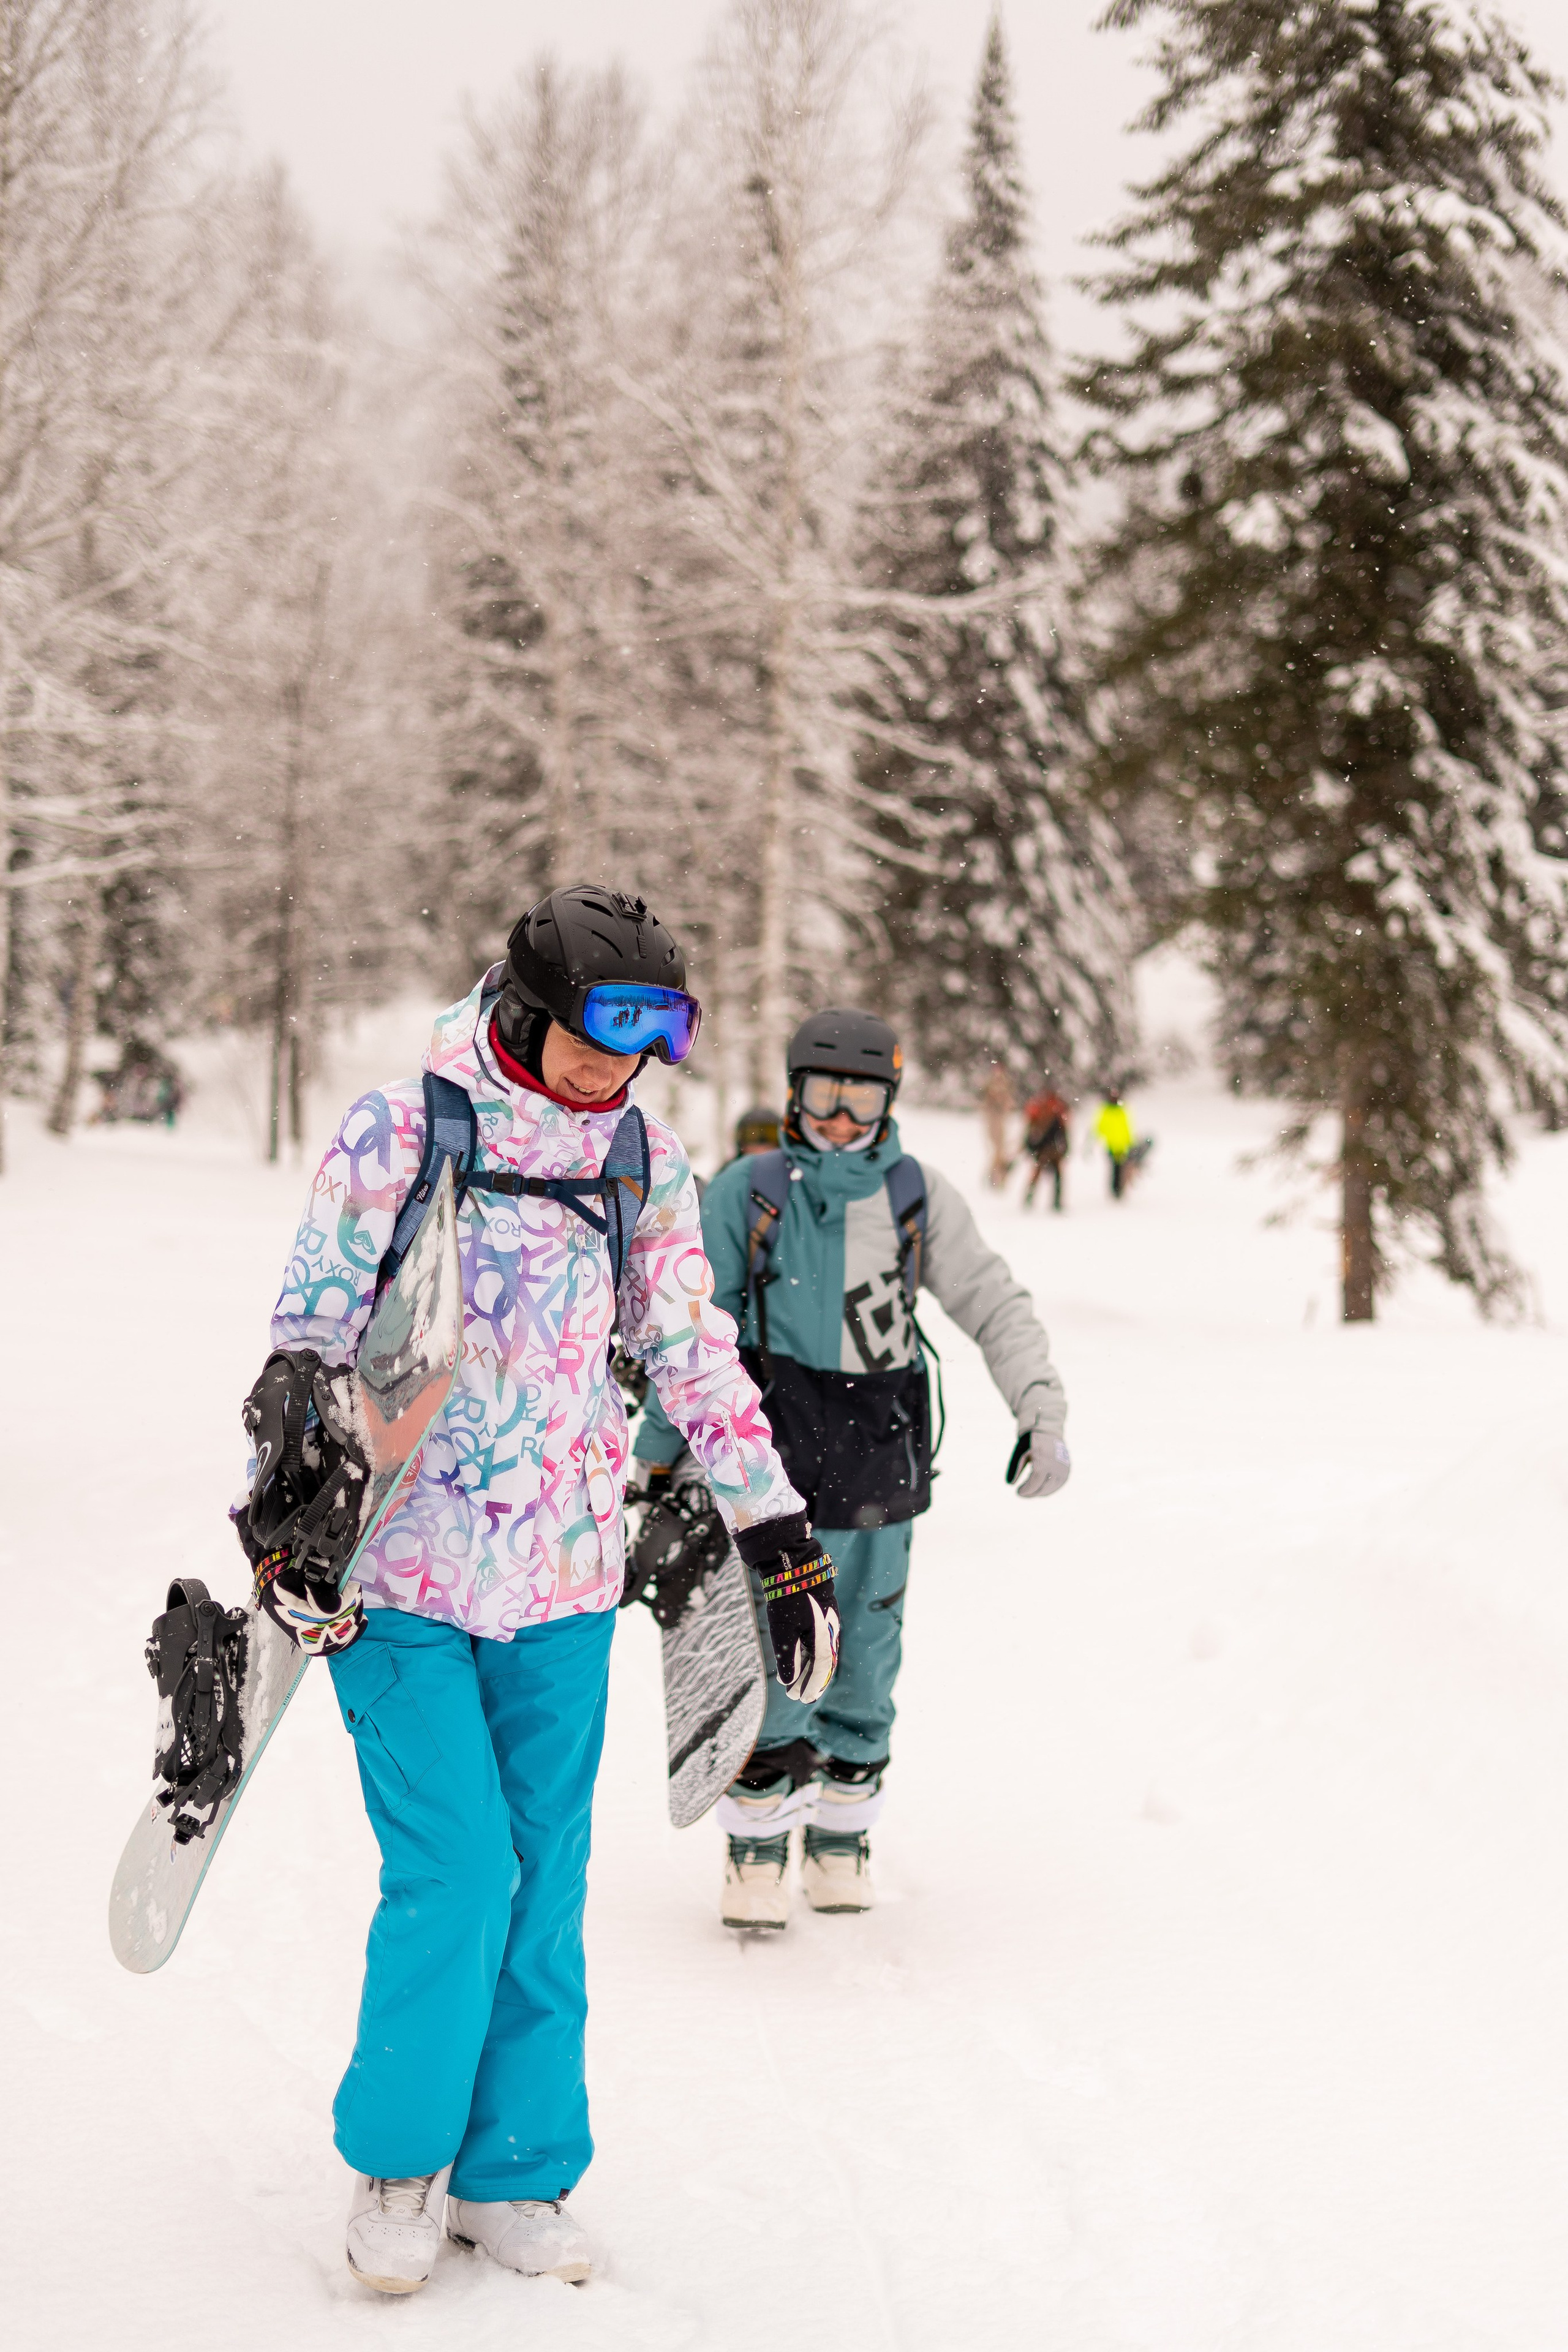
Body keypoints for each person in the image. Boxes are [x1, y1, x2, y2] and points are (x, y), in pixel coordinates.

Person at [244, 886, 840, 2297]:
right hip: (395, 1572)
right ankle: (400, 2161)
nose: (613, 1068)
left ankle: (513, 2167)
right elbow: (308, 1333)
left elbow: (690, 1353)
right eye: (592, 1038)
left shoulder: (641, 1157)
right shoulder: (403, 1132)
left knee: (545, 1881)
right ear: (522, 1006)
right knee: (456, 1869)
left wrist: (779, 1530)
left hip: (564, 1578)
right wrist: (284, 1520)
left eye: (645, 1044)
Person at [631, 1006, 1071, 1930]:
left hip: (879, 1469)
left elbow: (993, 1301)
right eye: (823, 1096)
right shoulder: (749, 1194)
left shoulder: (915, 1195)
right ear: (793, 1094)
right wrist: (655, 1467)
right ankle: (755, 1852)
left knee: (864, 1663)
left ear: (889, 1102)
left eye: (860, 1100)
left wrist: (1041, 1411)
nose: (838, 1119)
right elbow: (689, 1340)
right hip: (766, 1482)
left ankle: (840, 1838)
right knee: (770, 1662)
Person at [1021, 1085, 1071, 1211]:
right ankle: (1056, 1202)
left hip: (1045, 1149)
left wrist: (1031, 1147)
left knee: (1039, 1174)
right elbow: (1063, 1132)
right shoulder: (1057, 1110)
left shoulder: (1040, 1109)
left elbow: (1031, 1133)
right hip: (1050, 1149)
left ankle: (1030, 1198)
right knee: (1056, 1175)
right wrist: (1065, 1147)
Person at [1094, 1089, 1143, 1199]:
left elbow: (1127, 1128)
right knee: (1115, 1168)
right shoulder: (1106, 1111)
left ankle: (1119, 1190)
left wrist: (1131, 1141)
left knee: (1121, 1168)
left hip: (1123, 1146)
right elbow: (1100, 1127)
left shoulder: (1121, 1111)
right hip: (1112, 1145)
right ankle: (1116, 1191)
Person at [981, 1063, 1014, 1188]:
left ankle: (998, 1178)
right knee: (998, 1152)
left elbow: (1008, 1103)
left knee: (1000, 1152)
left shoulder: (1004, 1084)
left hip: (1000, 1122)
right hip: (994, 1122)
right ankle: (995, 1178)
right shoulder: (993, 1086)